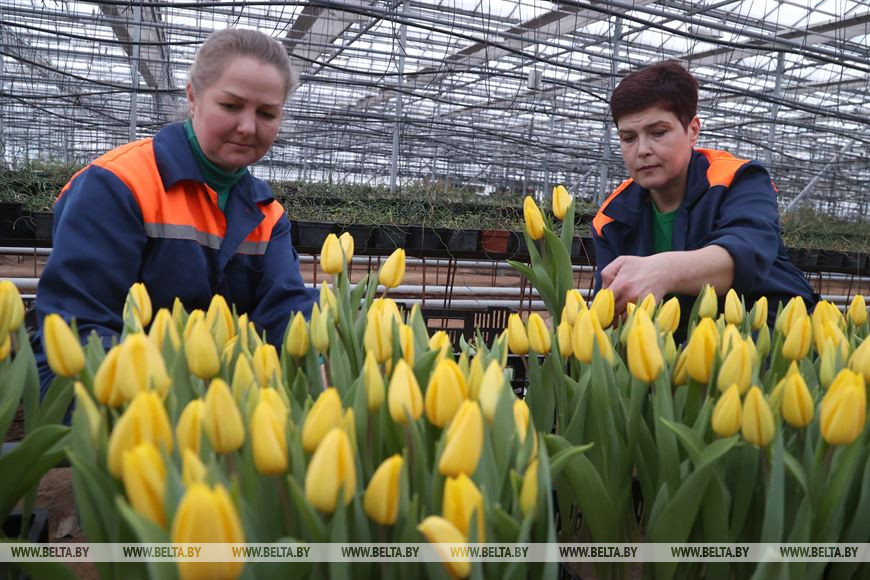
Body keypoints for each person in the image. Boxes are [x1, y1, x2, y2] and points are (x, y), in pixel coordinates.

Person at [33, 29, 316, 389]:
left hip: (216, 399)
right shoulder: (119, 183)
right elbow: (80, 324)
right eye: (230, 106)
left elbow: (285, 309)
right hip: (109, 392)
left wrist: (321, 366)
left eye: (266, 113)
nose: (247, 127)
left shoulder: (267, 214)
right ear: (193, 97)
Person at [591, 60, 817, 336]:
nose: (642, 150)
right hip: (673, 346)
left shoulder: (737, 179)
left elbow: (746, 253)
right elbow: (612, 305)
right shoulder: (613, 215)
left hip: (771, 334)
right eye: (629, 138)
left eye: (658, 133)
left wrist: (662, 270)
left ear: (693, 131)